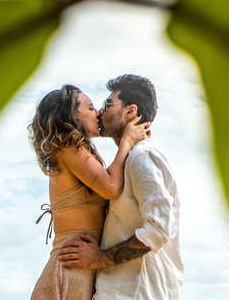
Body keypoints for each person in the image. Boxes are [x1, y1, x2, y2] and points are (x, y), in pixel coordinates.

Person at [57, 74, 183, 300]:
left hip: (134, 292)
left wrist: (100, 258)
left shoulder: (141, 156)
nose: (100, 112)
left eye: (108, 105)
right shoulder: (130, 159)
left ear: (130, 111)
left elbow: (159, 228)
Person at [28, 84, 149, 300]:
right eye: (91, 108)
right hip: (70, 269)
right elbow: (111, 187)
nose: (98, 113)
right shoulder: (67, 146)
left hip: (80, 264)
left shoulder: (78, 150)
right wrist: (127, 141)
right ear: (73, 115)